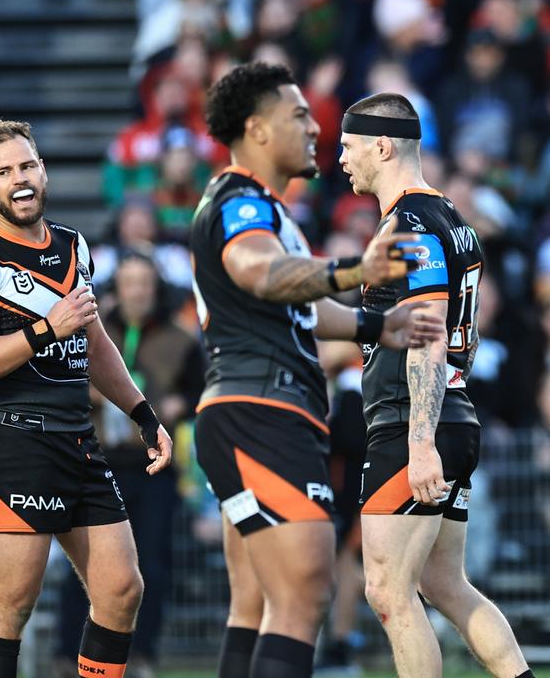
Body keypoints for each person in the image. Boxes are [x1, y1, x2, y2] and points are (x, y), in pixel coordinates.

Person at [189, 63, 443, 678]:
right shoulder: (242, 203)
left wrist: (373, 326)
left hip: (242, 408)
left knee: (255, 603)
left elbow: (300, 300)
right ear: (258, 129)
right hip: (264, 412)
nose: (314, 126)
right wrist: (355, 270)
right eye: (299, 114)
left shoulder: (261, 206)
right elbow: (262, 274)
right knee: (304, 597)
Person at [0, 120, 174, 678]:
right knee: (13, 601)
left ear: (42, 170)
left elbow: (94, 344)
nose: (19, 180)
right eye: (4, 172)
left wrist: (143, 414)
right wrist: (45, 328)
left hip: (79, 440)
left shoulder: (74, 245)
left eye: (26, 166)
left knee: (120, 589)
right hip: (13, 440)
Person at [338, 92, 534, 678]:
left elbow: (426, 332)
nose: (341, 160)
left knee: (388, 592)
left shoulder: (410, 224)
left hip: (411, 424)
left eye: (348, 147)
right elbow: (459, 337)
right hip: (453, 412)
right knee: (446, 584)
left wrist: (420, 442)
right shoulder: (454, 219)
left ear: (381, 145)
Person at [55, 250, 205, 678]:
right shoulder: (90, 330)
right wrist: (93, 395)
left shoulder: (180, 338)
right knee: (83, 565)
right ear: (116, 288)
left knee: (152, 563)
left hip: (154, 467)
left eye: (144, 282)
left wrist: (181, 404)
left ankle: (141, 656)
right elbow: (61, 379)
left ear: (155, 286)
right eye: (129, 282)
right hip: (98, 461)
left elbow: (203, 392)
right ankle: (69, 655)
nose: (137, 290)